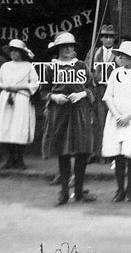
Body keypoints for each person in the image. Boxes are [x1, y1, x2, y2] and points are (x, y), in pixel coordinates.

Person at [42, 32, 97, 205]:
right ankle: (64, 192)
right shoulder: (50, 68)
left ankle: (79, 191)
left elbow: (92, 89)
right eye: (64, 46)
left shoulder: (81, 66)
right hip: (60, 113)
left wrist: (82, 93)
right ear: (58, 48)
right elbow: (43, 92)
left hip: (80, 112)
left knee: (82, 151)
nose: (68, 49)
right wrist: (53, 97)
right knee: (63, 151)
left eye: (71, 46)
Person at [102, 41, 131, 203]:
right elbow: (108, 96)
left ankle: (130, 189)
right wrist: (117, 115)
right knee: (119, 156)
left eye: (123, 55)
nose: (119, 58)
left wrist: (128, 116)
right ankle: (120, 189)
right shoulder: (116, 73)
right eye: (119, 55)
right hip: (117, 119)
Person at [0, 39, 39, 170]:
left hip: (21, 99)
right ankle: (10, 159)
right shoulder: (5, 67)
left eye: (16, 51)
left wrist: (19, 87)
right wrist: (7, 87)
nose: (13, 53)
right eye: (11, 51)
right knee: (7, 127)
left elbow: (35, 83)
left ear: (21, 53)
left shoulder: (28, 66)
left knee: (20, 127)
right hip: (6, 99)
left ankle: (20, 159)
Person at [85, 24, 117, 163]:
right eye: (106, 37)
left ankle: (109, 153)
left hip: (112, 93)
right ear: (101, 38)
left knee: (109, 122)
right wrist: (94, 77)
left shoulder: (118, 53)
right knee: (96, 122)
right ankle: (96, 152)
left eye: (111, 37)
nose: (108, 40)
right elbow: (86, 70)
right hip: (97, 91)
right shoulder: (94, 52)